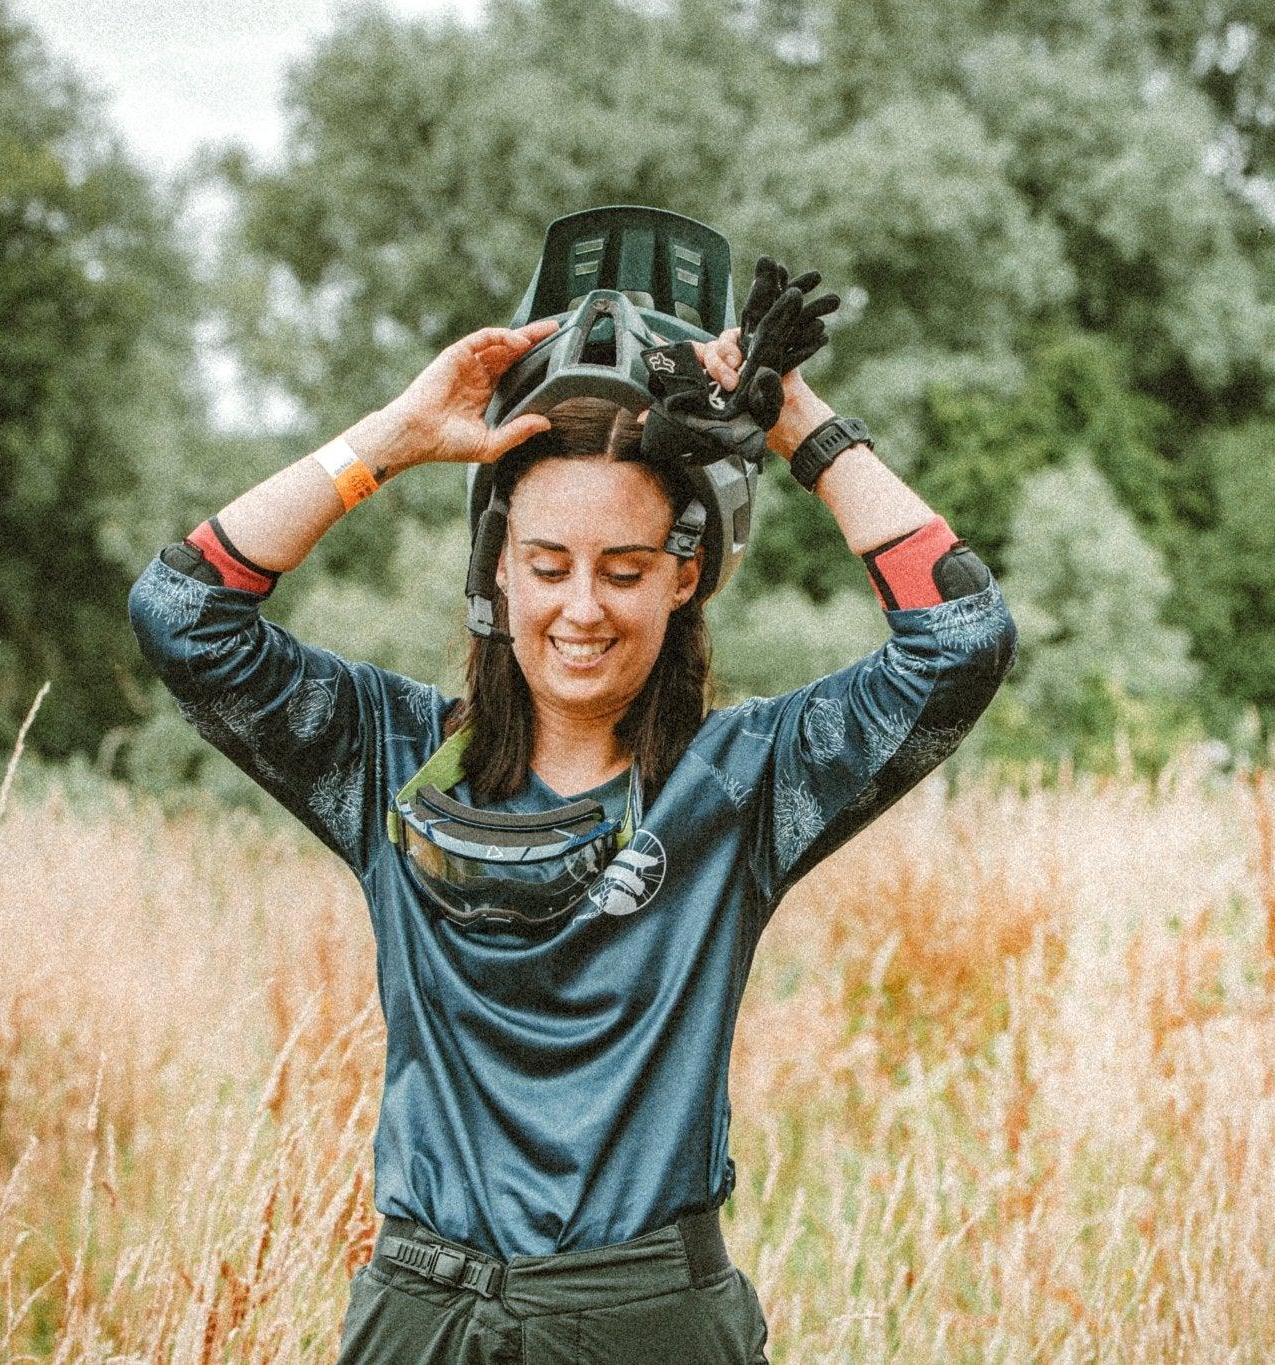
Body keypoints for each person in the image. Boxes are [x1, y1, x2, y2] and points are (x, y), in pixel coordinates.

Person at [128, 208, 1015, 1363]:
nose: (581, 608)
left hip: (641, 1314)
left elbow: (958, 638)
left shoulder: (738, 782)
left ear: (684, 579)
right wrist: (390, 441)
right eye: (546, 565)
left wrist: (793, 420)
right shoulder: (385, 758)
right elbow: (183, 615)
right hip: (423, 1312)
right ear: (496, 569)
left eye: (625, 568)